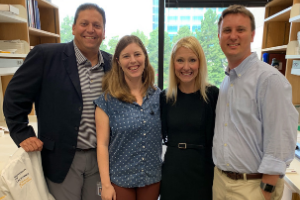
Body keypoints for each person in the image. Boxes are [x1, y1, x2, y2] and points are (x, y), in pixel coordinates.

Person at [3, 3, 111, 200]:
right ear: (73, 27)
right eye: (84, 23)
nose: (90, 29)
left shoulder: (112, 65)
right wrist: (21, 132)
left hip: (101, 160)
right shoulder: (46, 56)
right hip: (62, 159)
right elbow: (14, 96)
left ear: (104, 32)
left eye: (97, 25)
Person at [213, 5, 299, 200]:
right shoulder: (227, 80)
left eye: (240, 30)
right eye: (227, 30)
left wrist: (265, 192)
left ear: (252, 35)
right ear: (219, 37)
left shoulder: (269, 79)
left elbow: (280, 141)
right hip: (221, 183)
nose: (233, 36)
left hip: (253, 188)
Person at [94, 35, 162, 200]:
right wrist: (106, 185)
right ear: (117, 61)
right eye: (126, 56)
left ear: (145, 57)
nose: (133, 60)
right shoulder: (106, 100)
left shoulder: (158, 96)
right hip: (120, 180)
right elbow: (102, 145)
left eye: (137, 54)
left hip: (151, 178)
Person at [159, 36, 219, 200]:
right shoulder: (165, 97)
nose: (186, 67)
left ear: (200, 63)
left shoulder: (213, 95)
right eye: (180, 60)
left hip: (203, 172)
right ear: (173, 64)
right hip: (172, 172)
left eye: (192, 60)